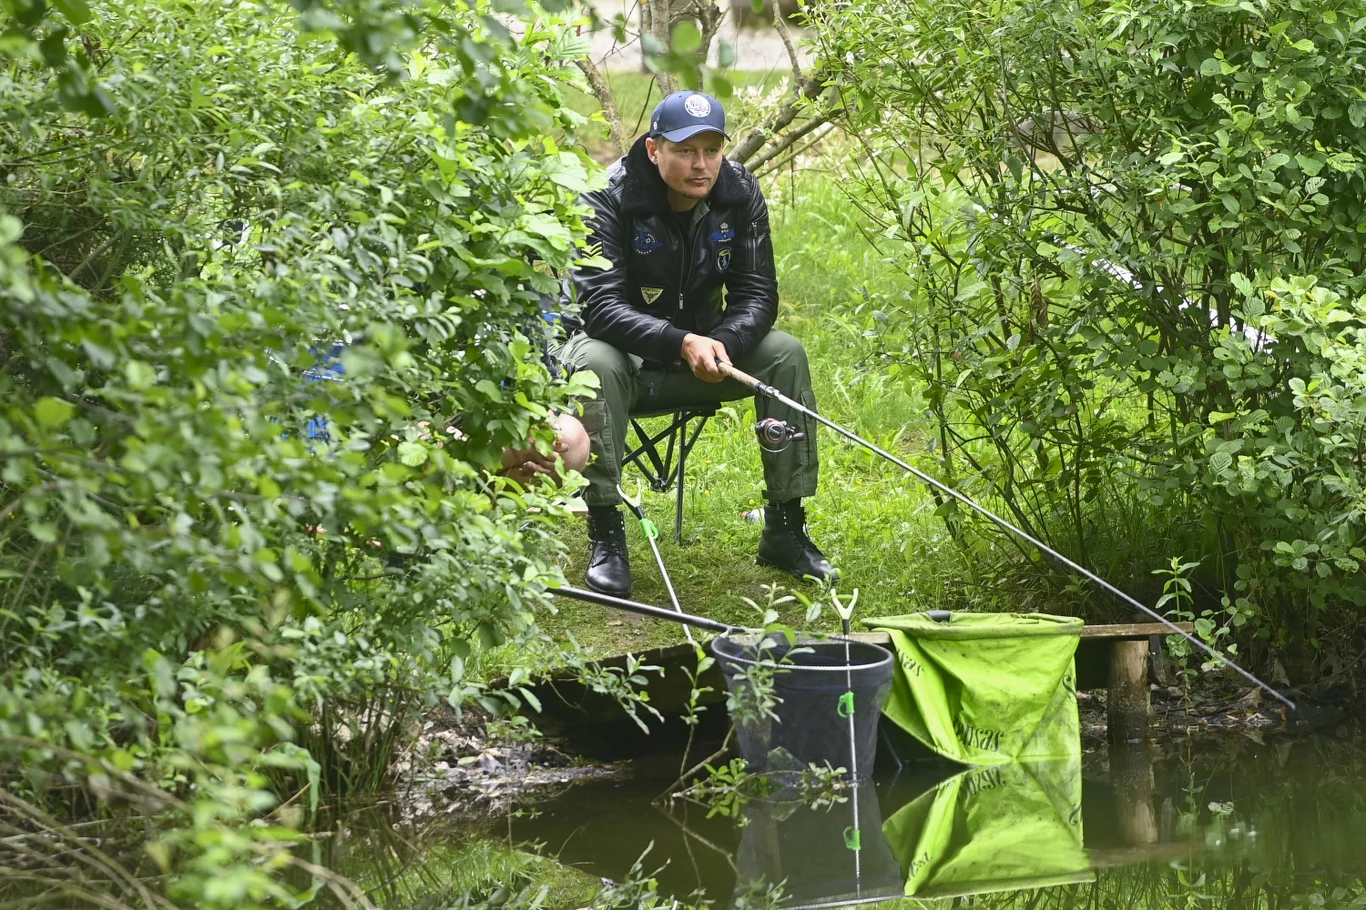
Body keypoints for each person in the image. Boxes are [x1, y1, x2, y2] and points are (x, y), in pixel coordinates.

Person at [564, 89, 836, 597]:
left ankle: (785, 528)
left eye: (712, 149)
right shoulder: (605, 198)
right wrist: (679, 340)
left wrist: (723, 342)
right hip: (623, 358)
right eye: (685, 150)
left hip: (706, 352)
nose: (701, 164)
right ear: (653, 149)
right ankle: (606, 536)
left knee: (785, 353)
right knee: (596, 362)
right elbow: (598, 307)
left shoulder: (740, 193)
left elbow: (757, 292)